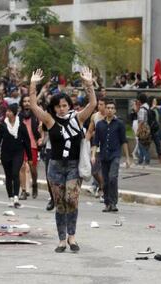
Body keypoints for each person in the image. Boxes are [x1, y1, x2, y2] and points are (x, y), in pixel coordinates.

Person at [29, 67, 97, 253]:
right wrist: (33, 84)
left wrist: (88, 83)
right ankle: (61, 239)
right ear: (54, 107)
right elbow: (34, 106)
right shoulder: (50, 121)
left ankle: (72, 236)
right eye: (58, 105)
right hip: (56, 166)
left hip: (74, 166)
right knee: (60, 204)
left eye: (65, 105)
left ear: (69, 106)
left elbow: (92, 105)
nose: (61, 108)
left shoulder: (78, 119)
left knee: (71, 199)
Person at [92, 100, 131, 212]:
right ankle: (107, 203)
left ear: (115, 110)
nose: (109, 110)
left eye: (112, 108)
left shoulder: (119, 124)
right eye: (108, 107)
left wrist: (128, 158)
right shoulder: (99, 124)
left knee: (113, 177)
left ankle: (113, 202)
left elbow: (124, 141)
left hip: (115, 154)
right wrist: (93, 155)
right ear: (105, 109)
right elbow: (96, 142)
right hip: (103, 155)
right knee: (105, 180)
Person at [0, 103, 32, 208]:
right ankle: (10, 197)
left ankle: (16, 197)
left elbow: (27, 141)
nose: (7, 113)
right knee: (8, 176)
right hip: (6, 153)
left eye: (9, 111)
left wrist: (30, 157)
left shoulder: (21, 125)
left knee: (15, 173)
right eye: (7, 111)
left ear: (14, 113)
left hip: (18, 153)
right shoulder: (3, 125)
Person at [19, 94, 41, 200]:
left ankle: (35, 184)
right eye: (25, 101)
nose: (27, 103)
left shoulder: (36, 115)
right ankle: (23, 190)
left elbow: (42, 128)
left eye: (29, 101)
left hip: (33, 145)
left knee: (32, 168)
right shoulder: (19, 116)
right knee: (22, 167)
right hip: (21, 145)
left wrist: (41, 138)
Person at [86, 97, 106, 200]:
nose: (99, 106)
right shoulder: (94, 116)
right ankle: (102, 186)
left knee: (104, 171)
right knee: (94, 171)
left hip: (107, 148)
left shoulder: (110, 117)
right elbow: (90, 131)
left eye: (102, 104)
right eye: (98, 104)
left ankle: (102, 189)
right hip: (96, 147)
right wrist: (85, 142)